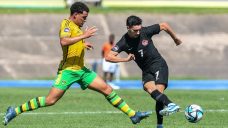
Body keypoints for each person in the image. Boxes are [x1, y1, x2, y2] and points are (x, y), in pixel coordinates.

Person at [3, 4, 151, 126]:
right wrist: (84, 36)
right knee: (50, 101)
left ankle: (133, 115)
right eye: (83, 17)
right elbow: (63, 41)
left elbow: (72, 41)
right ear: (75, 14)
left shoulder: (77, 28)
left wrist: (82, 43)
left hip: (82, 70)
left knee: (107, 89)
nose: (85, 20)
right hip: (68, 71)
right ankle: (14, 111)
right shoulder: (66, 24)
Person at [105, 15, 182, 128]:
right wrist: (125, 59)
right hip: (146, 70)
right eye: (135, 30)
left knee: (159, 94)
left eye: (139, 29)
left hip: (159, 65)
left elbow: (164, 25)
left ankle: (162, 120)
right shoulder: (124, 41)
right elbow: (108, 57)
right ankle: (170, 105)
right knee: (149, 89)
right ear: (128, 28)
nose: (138, 32)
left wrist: (175, 38)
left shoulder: (145, 31)